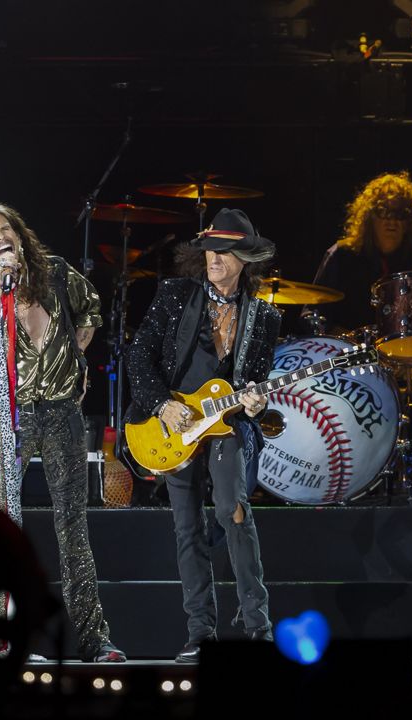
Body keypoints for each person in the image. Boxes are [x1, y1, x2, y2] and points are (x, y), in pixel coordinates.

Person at [0, 201, 125, 663]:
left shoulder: (57, 274)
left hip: (63, 413)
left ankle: (94, 639)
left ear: (20, 237)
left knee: (72, 527)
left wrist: (77, 359)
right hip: (13, 415)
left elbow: (91, 310)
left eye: (6, 229)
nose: (0, 236)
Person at [125, 208, 280, 663]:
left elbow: (254, 385)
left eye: (225, 249)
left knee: (234, 511)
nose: (214, 257)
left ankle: (258, 629)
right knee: (186, 527)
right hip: (174, 423)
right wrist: (161, 404)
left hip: (225, 426)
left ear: (245, 258)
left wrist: (256, 402)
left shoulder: (264, 317)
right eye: (210, 248)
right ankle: (200, 635)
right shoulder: (175, 295)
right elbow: (139, 356)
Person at [304, 170, 412, 333]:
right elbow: (312, 314)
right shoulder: (341, 254)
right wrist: (339, 336)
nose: (391, 220)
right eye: (383, 211)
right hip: (352, 353)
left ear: (410, 221)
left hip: (410, 351)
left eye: (400, 214)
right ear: (370, 217)